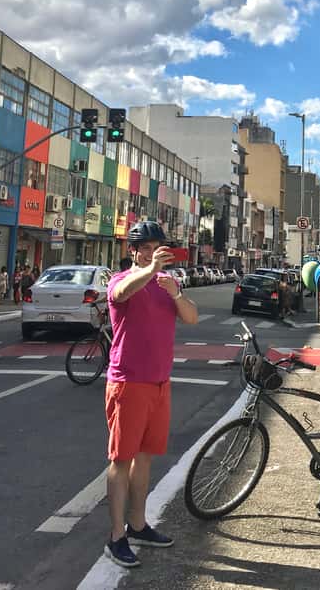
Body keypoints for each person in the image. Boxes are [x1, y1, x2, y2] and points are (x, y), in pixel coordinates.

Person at [103, 221, 198, 568]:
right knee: (121, 460)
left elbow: (191, 317)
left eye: (156, 246)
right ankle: (116, 536)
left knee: (144, 458)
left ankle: (138, 524)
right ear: (132, 251)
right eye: (144, 247)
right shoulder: (122, 280)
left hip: (160, 384)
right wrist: (151, 269)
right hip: (128, 383)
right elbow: (121, 293)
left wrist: (174, 291)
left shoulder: (166, 284)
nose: (151, 251)